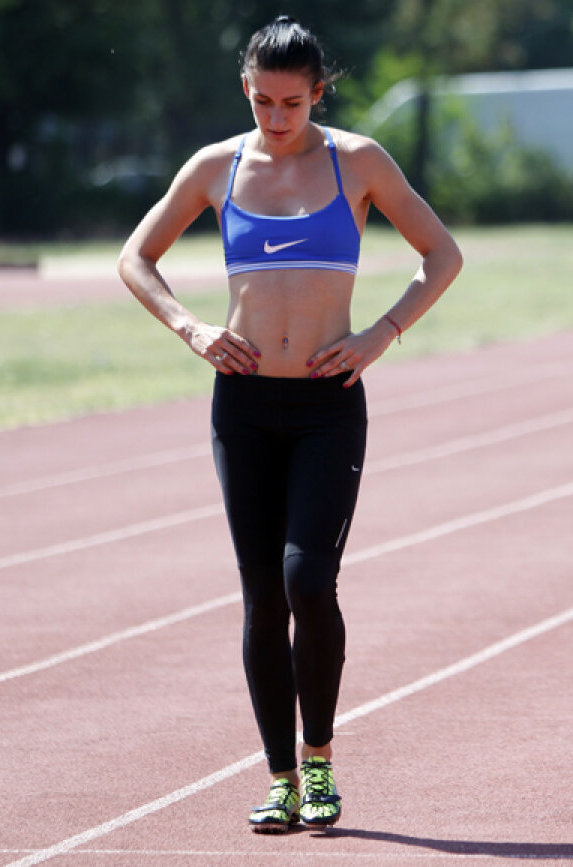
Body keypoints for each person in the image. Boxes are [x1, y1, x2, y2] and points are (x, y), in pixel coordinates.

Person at [118, 16, 462, 833]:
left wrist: (380, 334)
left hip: (326, 404)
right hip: (243, 405)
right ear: (246, 88)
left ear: (319, 92)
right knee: (263, 595)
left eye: (294, 103)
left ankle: (320, 761)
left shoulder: (358, 161)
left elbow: (442, 254)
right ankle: (278, 777)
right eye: (264, 101)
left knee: (310, 579)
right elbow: (137, 257)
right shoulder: (216, 167)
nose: (277, 118)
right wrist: (192, 328)